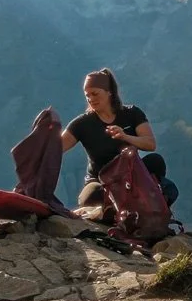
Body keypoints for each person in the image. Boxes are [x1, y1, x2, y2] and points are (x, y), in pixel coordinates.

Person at [61, 68, 164, 215]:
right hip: (101, 181)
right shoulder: (82, 124)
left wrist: (125, 136)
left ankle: (134, 205)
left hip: (131, 176)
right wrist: (44, 136)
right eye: (87, 95)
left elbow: (150, 144)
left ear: (109, 92)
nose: (91, 98)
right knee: (92, 196)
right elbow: (56, 148)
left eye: (95, 93)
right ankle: (127, 207)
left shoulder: (132, 114)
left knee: (156, 163)